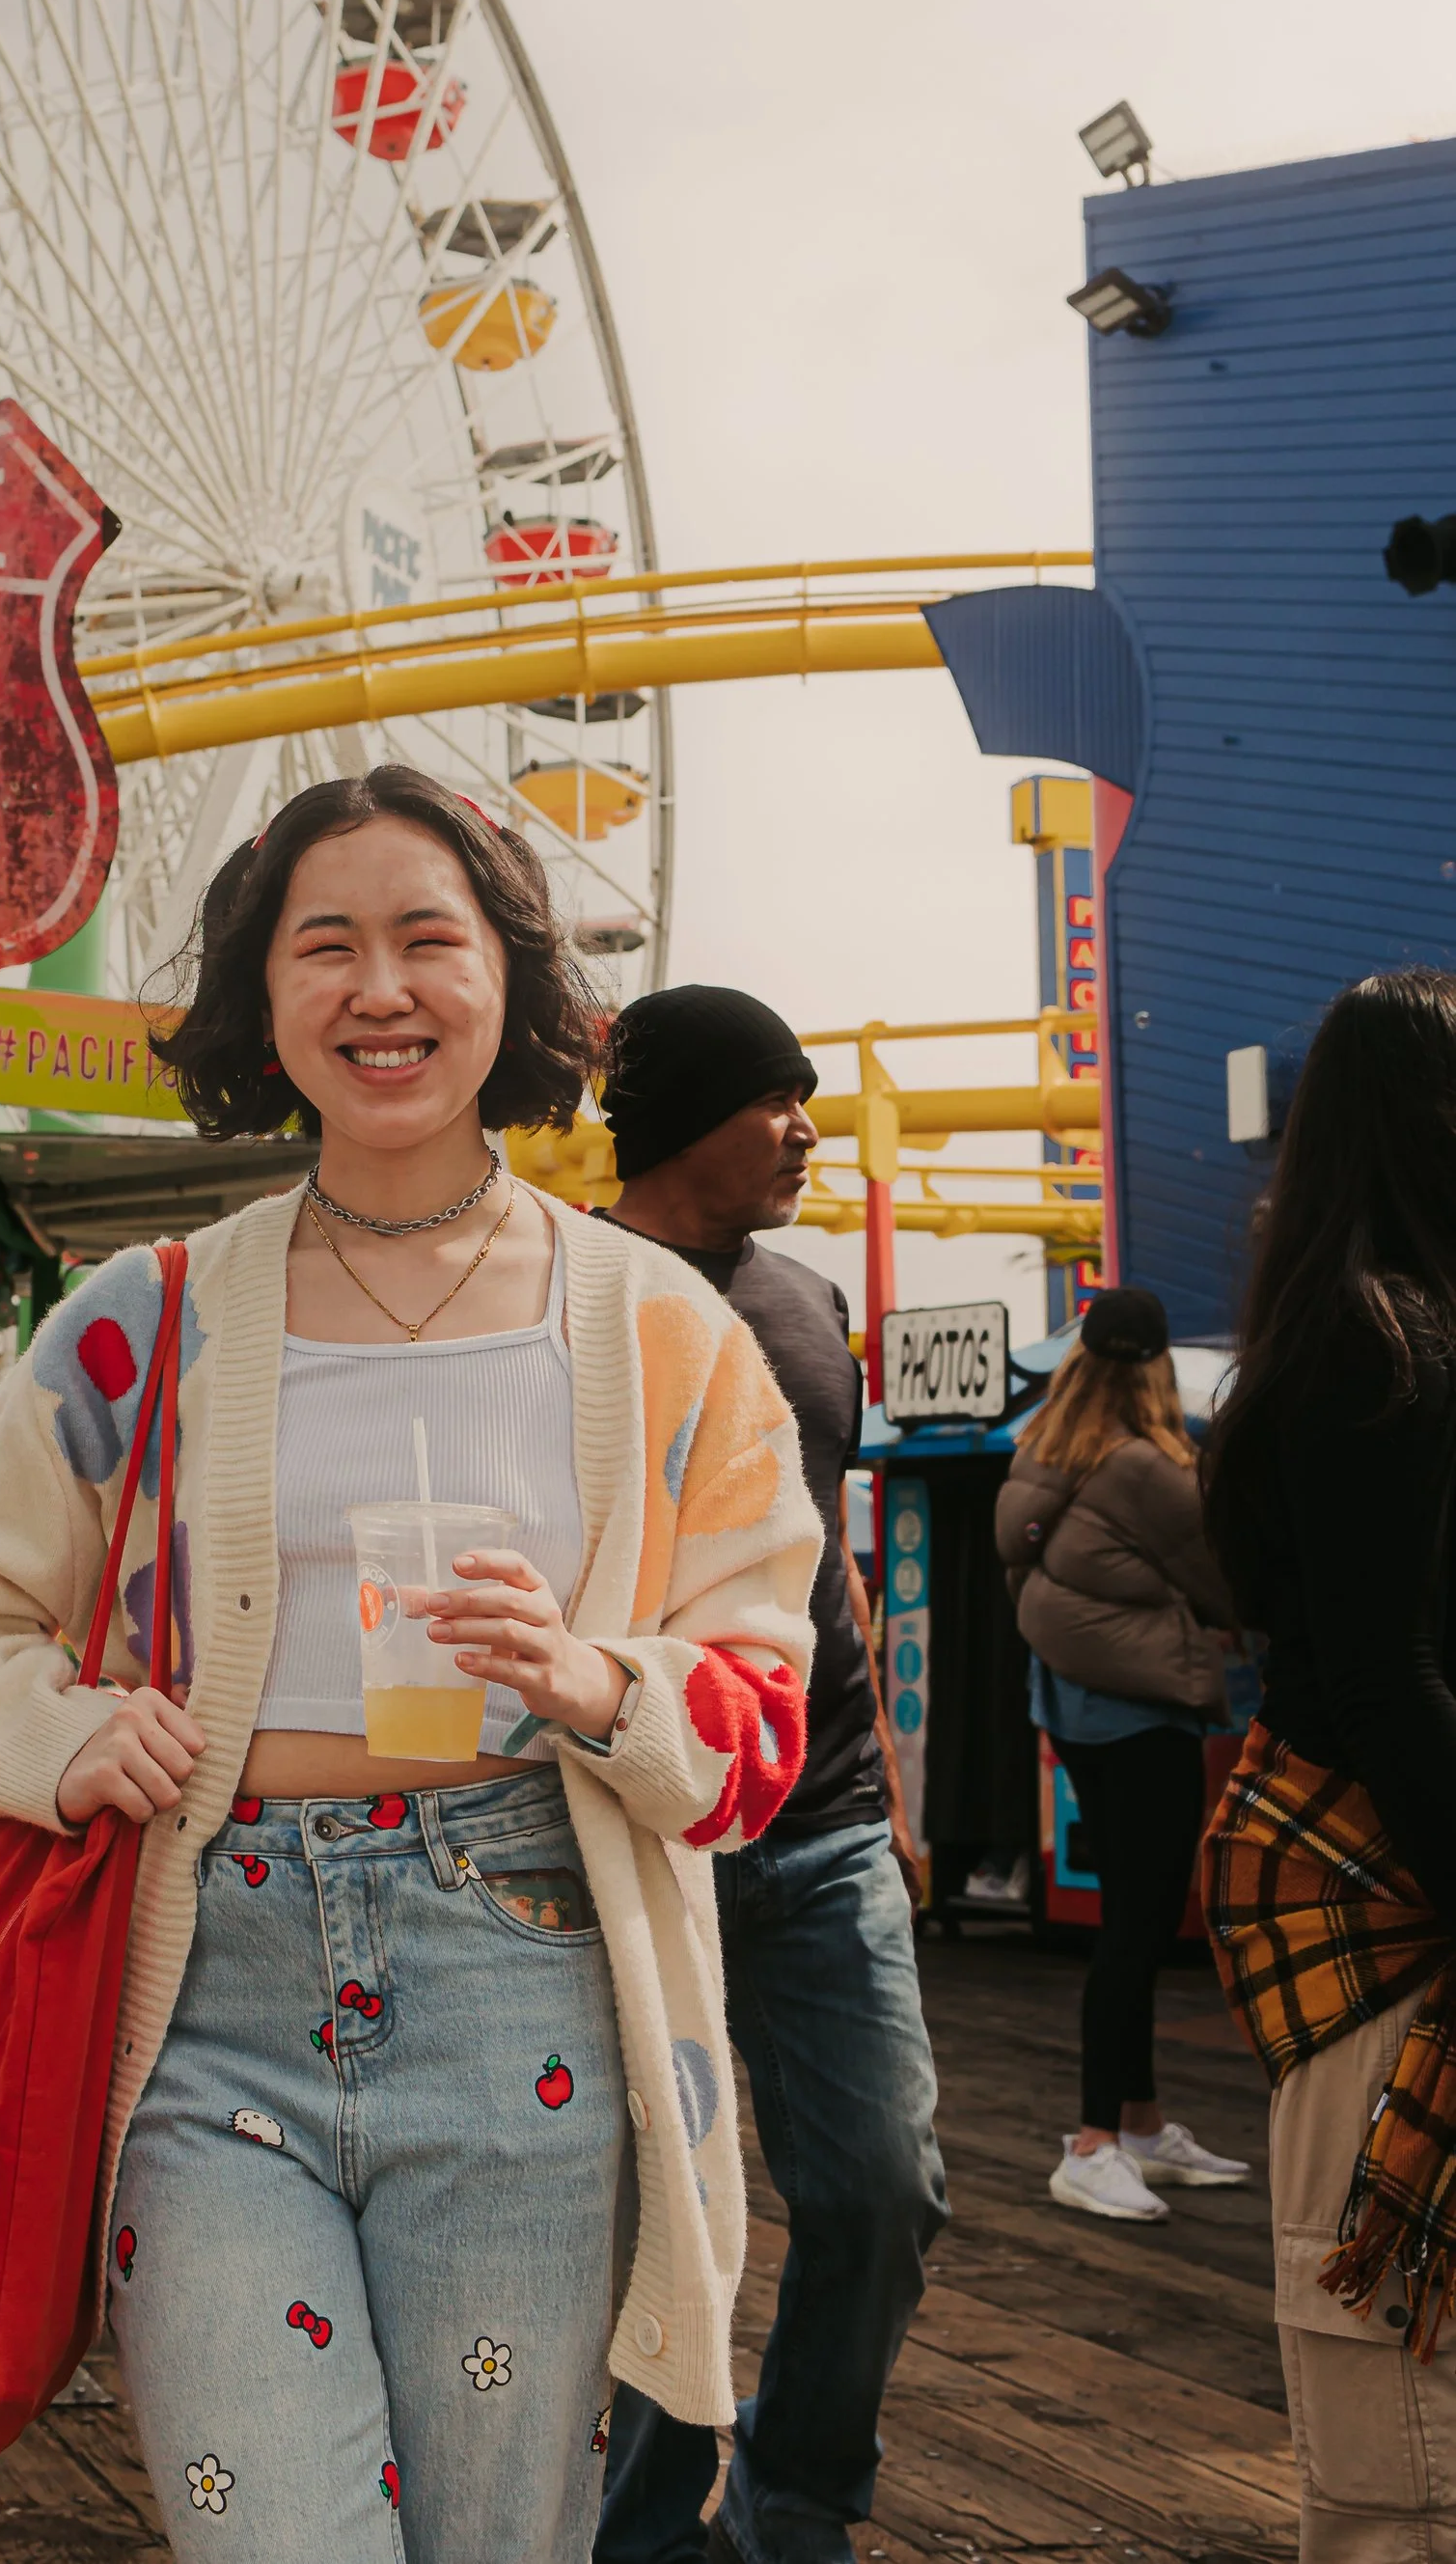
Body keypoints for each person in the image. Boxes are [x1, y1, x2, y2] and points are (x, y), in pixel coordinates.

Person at [0, 766, 821, 2563]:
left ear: (513, 987)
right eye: (327, 947)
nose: (380, 990)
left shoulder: (663, 1334)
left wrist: (593, 1680)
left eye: (427, 940)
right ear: (263, 1001)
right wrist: (63, 1739)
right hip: (202, 1985)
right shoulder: (144, 1318)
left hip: (523, 1987)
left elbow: (766, 1692)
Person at [591, 983, 948, 2564]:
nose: (808, 1126)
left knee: (882, 2185)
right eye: (776, 1098)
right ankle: (664, 2528)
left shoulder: (806, 1303)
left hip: (825, 1817)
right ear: (681, 1120)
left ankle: (800, 2497)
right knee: (660, 2212)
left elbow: (827, 1559)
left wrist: (896, 1797)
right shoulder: (565, 1298)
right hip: (634, 1825)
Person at [1202, 970, 1456, 2551]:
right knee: (1392, 2391)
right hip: (1380, 1879)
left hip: (1374, 1854)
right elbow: (1380, 1671)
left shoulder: (1343, 1323)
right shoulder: (1379, 1340)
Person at [998, 1284, 1246, 2221]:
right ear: (1152, 1369)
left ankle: (1139, 2123)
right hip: (1143, 1714)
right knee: (1137, 1928)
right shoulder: (1141, 1463)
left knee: (1125, 1920)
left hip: (1071, 1705)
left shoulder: (1042, 1449)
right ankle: (1093, 2140)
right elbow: (1225, 1575)